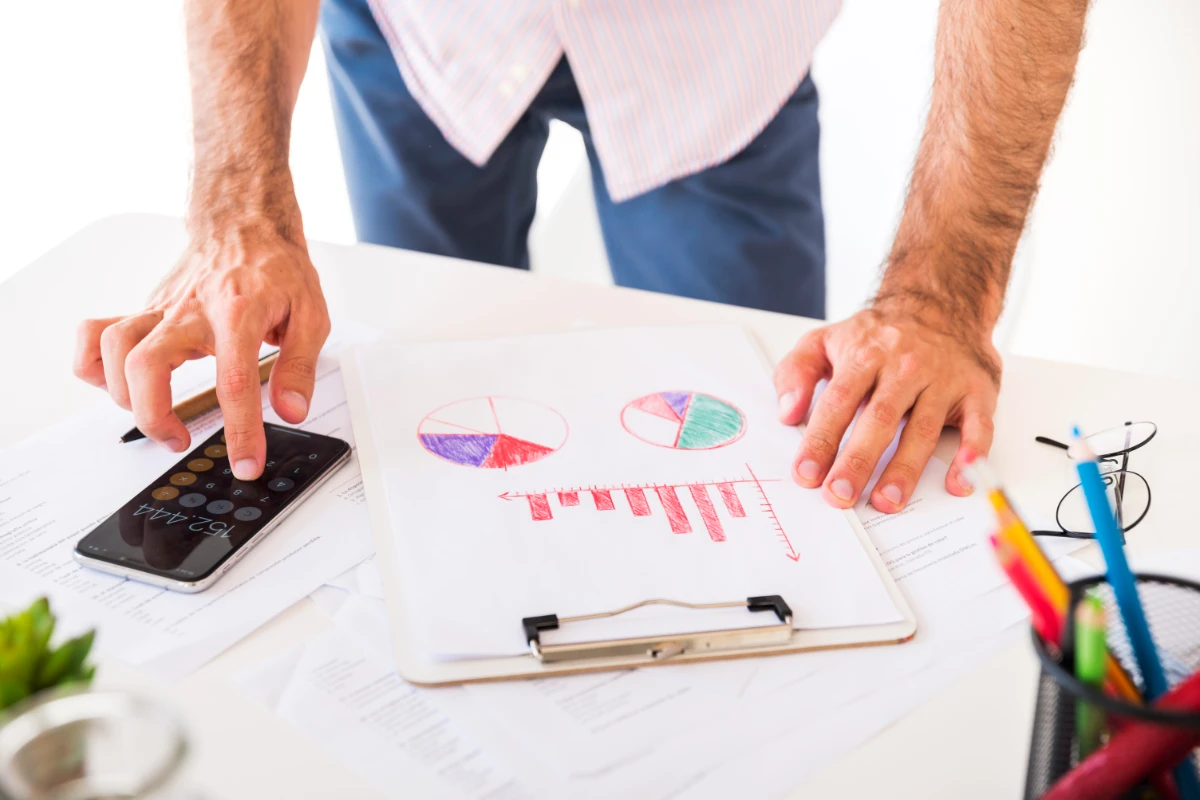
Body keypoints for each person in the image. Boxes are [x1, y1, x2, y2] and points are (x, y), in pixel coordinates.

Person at [73, 0, 1089, 514]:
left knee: (762, 450)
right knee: (421, 422)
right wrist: (236, 201)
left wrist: (942, 296)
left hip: (718, 59)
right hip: (423, 39)